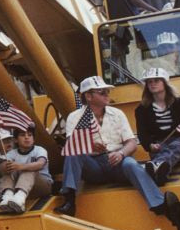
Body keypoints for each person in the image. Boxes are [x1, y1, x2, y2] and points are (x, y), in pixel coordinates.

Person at [55, 76, 167, 217]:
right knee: (73, 154)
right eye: (102, 92)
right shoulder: (75, 117)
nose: (107, 95)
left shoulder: (118, 114)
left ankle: (159, 204)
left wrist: (121, 154)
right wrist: (90, 147)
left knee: (130, 163)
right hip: (92, 167)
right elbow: (71, 145)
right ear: (88, 96)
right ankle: (69, 201)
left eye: (107, 91)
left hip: (117, 162)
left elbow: (131, 143)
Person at [135, 68, 180, 184]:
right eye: (149, 82)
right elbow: (142, 133)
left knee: (176, 145)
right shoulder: (141, 109)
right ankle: (160, 174)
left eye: (156, 81)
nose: (152, 84)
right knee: (164, 149)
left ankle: (157, 165)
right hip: (160, 145)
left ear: (165, 83)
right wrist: (150, 145)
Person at [0, 125, 52, 214]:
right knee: (8, 171)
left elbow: (40, 164)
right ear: (15, 140)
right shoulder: (11, 153)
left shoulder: (40, 150)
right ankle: (8, 196)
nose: (26, 137)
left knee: (29, 170)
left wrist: (20, 167)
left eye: (30, 135)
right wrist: (5, 166)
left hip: (42, 186)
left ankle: (19, 199)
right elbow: (0, 169)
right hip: (19, 188)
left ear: (34, 139)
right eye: (22, 135)